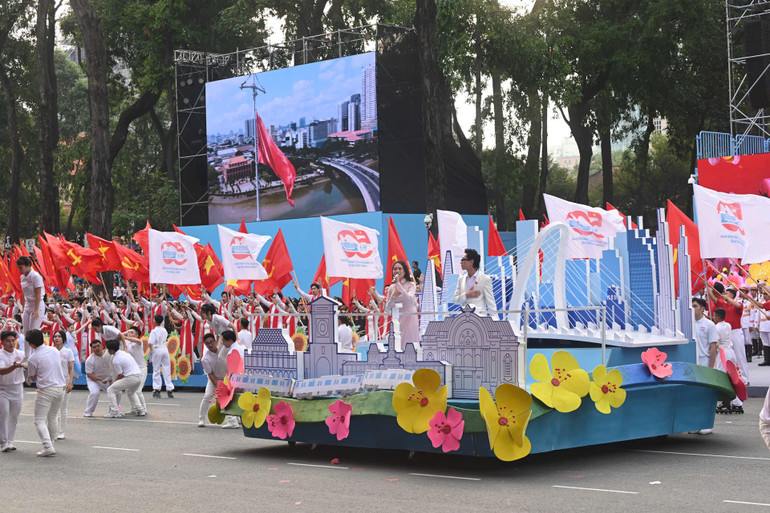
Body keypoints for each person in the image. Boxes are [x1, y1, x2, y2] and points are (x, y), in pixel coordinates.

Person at [26, 329, 67, 457]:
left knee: (39, 420)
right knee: (52, 417)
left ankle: (48, 446)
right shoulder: (54, 350)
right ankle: (51, 444)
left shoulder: (33, 358)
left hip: (46, 390)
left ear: (31, 344)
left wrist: (27, 368)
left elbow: (33, 377)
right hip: (60, 388)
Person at [713, 308, 745, 415]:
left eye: (714, 316)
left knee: (723, 378)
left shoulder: (716, 328)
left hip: (722, 353)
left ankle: (727, 401)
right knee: (733, 377)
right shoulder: (728, 325)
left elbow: (717, 343)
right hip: (731, 351)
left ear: (718, 317)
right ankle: (736, 402)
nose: (713, 318)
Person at [104, 339, 145, 418]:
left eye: (107, 349)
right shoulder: (125, 353)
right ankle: (140, 409)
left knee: (110, 390)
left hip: (131, 378)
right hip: (139, 377)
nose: (107, 351)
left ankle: (114, 412)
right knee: (131, 392)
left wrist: (114, 382)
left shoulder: (116, 360)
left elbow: (120, 375)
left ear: (111, 350)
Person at [453, 248, 497, 319]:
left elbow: (490, 302)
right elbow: (455, 300)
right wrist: (466, 294)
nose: (461, 262)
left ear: (471, 261)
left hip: (479, 319)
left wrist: (495, 320)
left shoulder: (485, 279)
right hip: (463, 319)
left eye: (463, 260)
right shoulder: (461, 279)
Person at [385, 260, 419, 345]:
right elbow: (387, 308)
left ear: (405, 271)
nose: (397, 271)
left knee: (409, 344)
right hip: (397, 318)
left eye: (400, 269)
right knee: (397, 343)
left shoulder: (411, 284)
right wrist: (393, 296)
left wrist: (399, 287)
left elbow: (410, 299)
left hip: (409, 317)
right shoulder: (392, 287)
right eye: (395, 269)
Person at [0, 330, 24, 452]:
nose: (11, 343)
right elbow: (1, 371)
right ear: (2, 342)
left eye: (13, 340)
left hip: (17, 389)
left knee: (14, 417)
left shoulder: (21, 353)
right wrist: (14, 366)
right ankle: (3, 443)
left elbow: (31, 362)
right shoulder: (0, 355)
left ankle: (10, 441)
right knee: (3, 415)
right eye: (8, 341)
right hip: (3, 389)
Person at [198, 333, 227, 427]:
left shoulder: (222, 350)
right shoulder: (205, 358)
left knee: (231, 398)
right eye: (207, 343)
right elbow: (210, 374)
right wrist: (218, 386)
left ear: (215, 341)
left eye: (211, 342)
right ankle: (201, 419)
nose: (210, 345)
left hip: (226, 378)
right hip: (214, 379)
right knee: (207, 396)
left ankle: (235, 420)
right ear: (205, 345)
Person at [52, 330, 74, 440]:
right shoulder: (51, 351)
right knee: (53, 408)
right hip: (53, 381)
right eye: (55, 336)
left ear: (63, 339)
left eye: (59, 336)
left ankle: (61, 431)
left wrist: (70, 382)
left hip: (64, 380)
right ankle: (54, 431)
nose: (57, 338)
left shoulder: (68, 352)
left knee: (63, 407)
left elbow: (71, 368)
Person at [17, 256, 44, 343]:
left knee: (32, 332)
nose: (19, 270)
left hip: (37, 304)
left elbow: (38, 294)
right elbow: (24, 293)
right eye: (18, 268)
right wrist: (23, 307)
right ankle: (26, 351)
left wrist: (36, 309)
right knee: (26, 332)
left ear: (28, 266)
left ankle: (34, 350)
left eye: (21, 267)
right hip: (27, 305)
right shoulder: (22, 277)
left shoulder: (35, 276)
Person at [122, 325, 148, 414]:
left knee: (138, 390)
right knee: (129, 391)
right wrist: (125, 333)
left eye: (132, 332)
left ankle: (144, 408)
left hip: (141, 369)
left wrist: (125, 337)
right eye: (129, 332)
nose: (129, 333)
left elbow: (137, 341)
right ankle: (134, 407)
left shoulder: (139, 343)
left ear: (137, 335)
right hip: (131, 370)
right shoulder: (126, 342)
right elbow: (118, 336)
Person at [83, 340, 112, 417]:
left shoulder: (109, 355)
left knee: (117, 392)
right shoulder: (89, 360)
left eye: (98, 346)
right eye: (94, 347)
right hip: (94, 380)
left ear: (102, 346)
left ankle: (114, 410)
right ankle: (88, 412)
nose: (97, 348)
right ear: (92, 349)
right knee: (94, 393)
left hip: (107, 379)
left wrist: (111, 379)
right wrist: (100, 380)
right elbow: (89, 374)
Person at [148, 314, 174, 399]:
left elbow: (150, 343)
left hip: (157, 349)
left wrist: (151, 351)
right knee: (167, 368)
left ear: (155, 321)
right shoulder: (164, 330)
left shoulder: (154, 331)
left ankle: (157, 388)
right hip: (164, 349)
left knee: (156, 369)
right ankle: (169, 388)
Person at [692, 298, 718, 368]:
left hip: (704, 360)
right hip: (691, 360)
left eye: (695, 306)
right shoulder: (688, 324)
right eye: (691, 306)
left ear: (702, 309)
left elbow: (713, 346)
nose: (692, 309)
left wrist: (711, 367)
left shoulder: (709, 324)